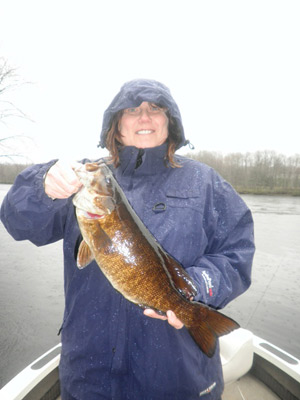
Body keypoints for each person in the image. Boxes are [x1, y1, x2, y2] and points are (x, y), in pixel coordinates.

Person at [1, 79, 255, 400]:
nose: (144, 117)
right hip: (89, 374)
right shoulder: (86, 180)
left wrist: (198, 287)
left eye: (155, 109)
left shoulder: (206, 183)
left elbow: (237, 253)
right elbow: (19, 224)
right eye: (133, 110)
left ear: (170, 122)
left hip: (177, 376)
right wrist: (41, 186)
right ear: (116, 126)